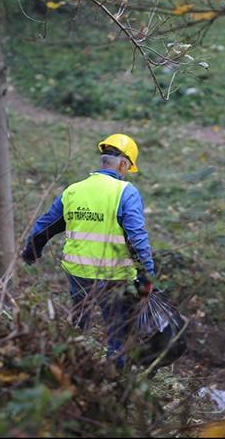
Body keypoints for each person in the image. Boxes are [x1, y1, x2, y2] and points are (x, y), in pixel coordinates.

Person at [22, 133, 156, 368]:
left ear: (103, 161)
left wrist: (32, 249)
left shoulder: (74, 191)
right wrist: (146, 274)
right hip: (115, 278)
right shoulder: (126, 192)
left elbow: (48, 225)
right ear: (124, 164)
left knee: (78, 325)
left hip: (79, 273)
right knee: (118, 331)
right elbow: (136, 238)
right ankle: (114, 380)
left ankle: (70, 367)